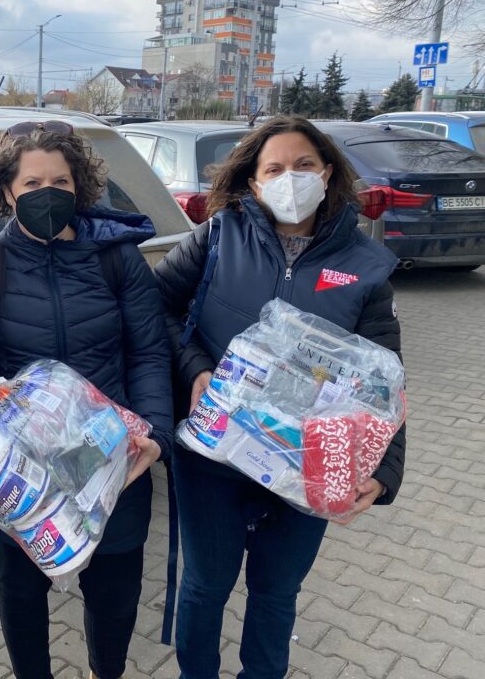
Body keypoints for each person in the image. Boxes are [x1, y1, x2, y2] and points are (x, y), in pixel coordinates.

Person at [154, 115, 405, 679]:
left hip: (305, 466)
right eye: (275, 168)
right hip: (214, 454)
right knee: (206, 584)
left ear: (329, 173)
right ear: (253, 182)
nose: (290, 178)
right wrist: (194, 369)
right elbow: (157, 308)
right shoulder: (217, 238)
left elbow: (386, 380)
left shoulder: (365, 268)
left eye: (304, 165)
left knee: (275, 592)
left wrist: (384, 469)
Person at [0, 121, 173, 679]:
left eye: (60, 181)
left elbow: (148, 353)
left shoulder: (118, 261)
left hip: (113, 462)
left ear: (79, 187)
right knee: (22, 592)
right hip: (26, 472)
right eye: (31, 184)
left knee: (115, 591)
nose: (46, 194)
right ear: (6, 191)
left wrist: (153, 437)